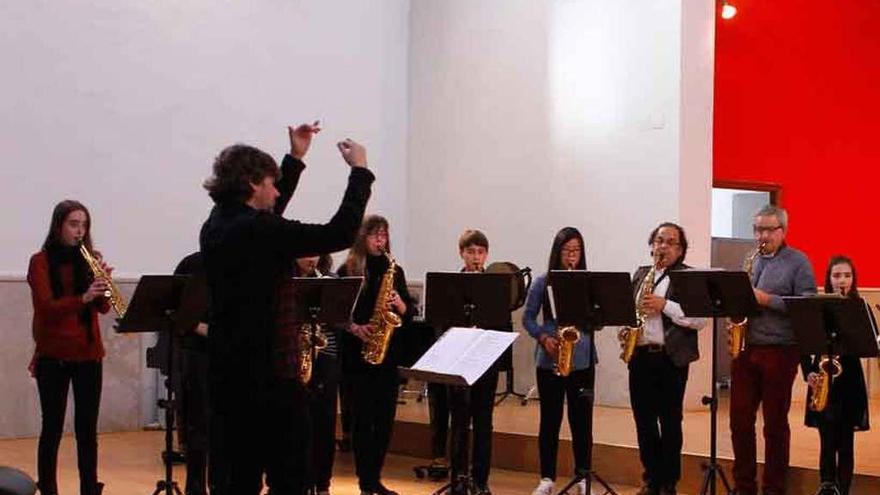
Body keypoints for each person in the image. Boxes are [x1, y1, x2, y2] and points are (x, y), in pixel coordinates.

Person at [200, 122, 374, 495]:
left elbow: (269, 213)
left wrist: (294, 159)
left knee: (237, 479)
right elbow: (339, 234)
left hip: (228, 374)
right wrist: (360, 173)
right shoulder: (258, 231)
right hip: (270, 377)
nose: (276, 191)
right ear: (252, 185)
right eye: (271, 182)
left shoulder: (216, 224)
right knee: (290, 477)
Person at [729, 204, 817, 495]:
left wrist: (766, 299)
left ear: (783, 231)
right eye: (757, 229)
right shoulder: (750, 259)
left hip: (780, 350)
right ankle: (744, 487)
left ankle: (774, 489)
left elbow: (807, 306)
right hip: (746, 348)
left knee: (775, 425)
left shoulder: (798, 262)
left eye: (768, 229)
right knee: (740, 421)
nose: (761, 236)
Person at [27, 200, 111, 495]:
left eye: (84, 225)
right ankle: (48, 488)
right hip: (54, 355)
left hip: (89, 354)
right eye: (73, 224)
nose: (80, 231)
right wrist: (84, 297)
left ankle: (90, 487)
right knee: (52, 427)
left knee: (87, 430)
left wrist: (103, 284)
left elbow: (102, 308)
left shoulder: (90, 259)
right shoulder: (40, 261)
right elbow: (47, 308)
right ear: (59, 226)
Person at [623, 222, 706, 495]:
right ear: (652, 245)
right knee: (643, 421)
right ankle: (651, 478)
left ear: (680, 250)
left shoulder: (687, 276)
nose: (663, 246)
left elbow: (699, 319)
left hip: (670, 359)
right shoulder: (641, 274)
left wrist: (665, 306)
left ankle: (669, 482)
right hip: (640, 356)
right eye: (659, 240)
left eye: (671, 242)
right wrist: (625, 329)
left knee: (670, 422)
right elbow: (627, 311)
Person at [338, 215, 415, 495]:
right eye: (374, 235)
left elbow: (410, 316)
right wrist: (355, 328)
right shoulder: (348, 270)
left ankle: (374, 479)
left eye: (383, 235)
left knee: (384, 421)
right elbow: (335, 313)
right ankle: (364, 480)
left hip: (386, 356)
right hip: (356, 357)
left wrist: (401, 305)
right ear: (362, 238)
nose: (380, 240)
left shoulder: (395, 271)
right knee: (362, 421)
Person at [524, 227, 595, 495]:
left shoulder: (588, 282)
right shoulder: (543, 282)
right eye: (567, 251)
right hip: (550, 357)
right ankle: (547, 478)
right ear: (557, 252)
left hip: (582, 357)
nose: (571, 256)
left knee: (582, 420)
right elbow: (528, 318)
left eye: (576, 251)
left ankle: (583, 476)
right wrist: (544, 338)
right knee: (550, 419)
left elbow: (597, 319)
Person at [801, 255, 870, 495]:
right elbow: (804, 344)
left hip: (849, 380)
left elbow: (871, 342)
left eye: (847, 275)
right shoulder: (818, 309)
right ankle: (826, 486)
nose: (842, 280)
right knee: (826, 441)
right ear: (828, 279)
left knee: (846, 443)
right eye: (837, 275)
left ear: (853, 279)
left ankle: (844, 488)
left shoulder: (860, 307)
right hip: (823, 379)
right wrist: (808, 372)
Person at [448, 229, 499, 495]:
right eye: (471, 252)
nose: (476, 257)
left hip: (484, 362)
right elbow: (441, 323)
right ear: (462, 254)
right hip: (458, 363)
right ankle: (458, 479)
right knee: (459, 423)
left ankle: (480, 481)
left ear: (486, 254)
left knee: (483, 423)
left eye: (480, 252)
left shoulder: (495, 287)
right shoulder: (451, 286)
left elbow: (502, 325)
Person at [295, 254, 342, 495]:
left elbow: (342, 319)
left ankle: (323, 483)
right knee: (298, 425)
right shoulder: (287, 282)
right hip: (295, 359)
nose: (312, 259)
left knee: (325, 423)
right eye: (306, 254)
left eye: (316, 254)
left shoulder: (329, 281)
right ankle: (300, 482)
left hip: (326, 358)